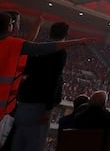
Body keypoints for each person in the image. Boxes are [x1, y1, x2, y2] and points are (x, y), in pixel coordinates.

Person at [0, 12, 88, 127]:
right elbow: (40, 48)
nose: (17, 25)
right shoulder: (14, 44)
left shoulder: (14, 44)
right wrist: (77, 41)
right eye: (15, 22)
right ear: (9, 26)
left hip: (14, 104)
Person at [11, 21, 70, 151]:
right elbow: (52, 80)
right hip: (39, 106)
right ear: (65, 35)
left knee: (18, 142)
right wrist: (48, 109)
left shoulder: (38, 48)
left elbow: (26, 71)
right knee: (34, 144)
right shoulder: (60, 53)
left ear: (50, 32)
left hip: (25, 102)